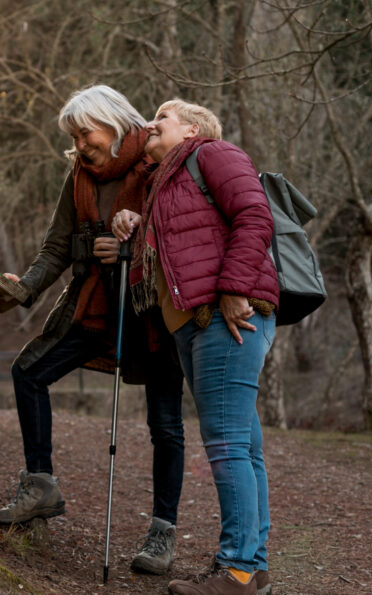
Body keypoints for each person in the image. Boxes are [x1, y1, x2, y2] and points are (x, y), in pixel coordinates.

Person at [0, 84, 186, 576]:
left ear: (113, 121)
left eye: (85, 132)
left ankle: (162, 533)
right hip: (96, 308)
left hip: (156, 313)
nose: (80, 144)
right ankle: (41, 486)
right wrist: (24, 288)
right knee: (28, 371)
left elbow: (183, 229)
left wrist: (130, 240)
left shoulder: (159, 160)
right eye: (74, 137)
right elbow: (56, 246)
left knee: (165, 425)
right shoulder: (78, 175)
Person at [112, 99, 278, 595]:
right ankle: (253, 566)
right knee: (244, 446)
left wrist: (233, 288)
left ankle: (238, 571)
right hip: (193, 324)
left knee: (226, 445)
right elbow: (188, 239)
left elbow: (254, 215)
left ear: (192, 127)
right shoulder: (165, 182)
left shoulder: (213, 153)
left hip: (228, 315)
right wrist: (133, 222)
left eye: (161, 117)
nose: (151, 124)